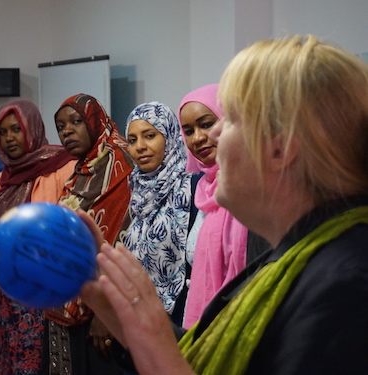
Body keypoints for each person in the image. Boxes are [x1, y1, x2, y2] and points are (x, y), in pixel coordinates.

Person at [80, 34, 368, 375]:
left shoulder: (345, 290)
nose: (211, 137)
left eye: (229, 118)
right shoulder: (300, 257)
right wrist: (128, 311)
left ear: (280, 149)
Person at [0, 99, 76, 375]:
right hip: (8, 298)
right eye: (3, 132)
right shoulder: (2, 179)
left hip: (49, 294)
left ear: (31, 128)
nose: (9, 138)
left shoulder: (63, 167)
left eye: (16, 129)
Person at [45, 93, 135, 375]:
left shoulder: (121, 162)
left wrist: (105, 312)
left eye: (75, 122)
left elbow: (123, 239)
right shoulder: (81, 171)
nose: (67, 131)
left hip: (103, 307)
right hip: (69, 297)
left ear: (95, 121)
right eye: (60, 127)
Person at [177, 84, 255, 329]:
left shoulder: (248, 188)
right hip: (200, 325)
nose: (198, 138)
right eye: (188, 131)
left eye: (207, 124)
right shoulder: (201, 190)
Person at [123, 102, 193, 326]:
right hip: (139, 316)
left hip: (182, 314)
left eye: (150, 135)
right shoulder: (137, 188)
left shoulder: (192, 187)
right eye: (132, 140)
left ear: (169, 136)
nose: (140, 146)